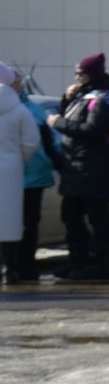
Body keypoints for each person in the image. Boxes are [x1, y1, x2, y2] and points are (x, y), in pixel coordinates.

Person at [49, 52, 109, 282]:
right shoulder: (85, 96)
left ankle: (99, 265)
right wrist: (66, 100)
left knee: (98, 221)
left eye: (80, 74)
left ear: (92, 75)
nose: (76, 78)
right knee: (71, 216)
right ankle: (78, 260)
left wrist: (58, 123)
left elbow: (91, 131)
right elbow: (75, 119)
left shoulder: (104, 100)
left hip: (97, 172)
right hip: (77, 170)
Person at [0, 62, 42, 285]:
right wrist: (18, 159)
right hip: (11, 169)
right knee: (11, 220)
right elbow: (31, 141)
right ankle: (11, 269)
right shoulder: (19, 109)